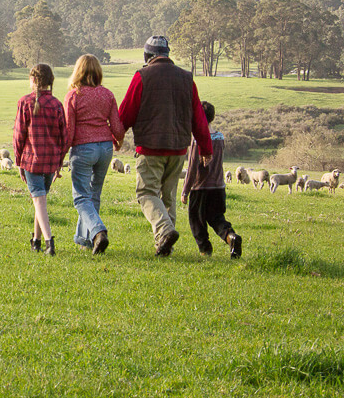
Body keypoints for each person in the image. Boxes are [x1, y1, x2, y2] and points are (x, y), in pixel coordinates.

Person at [118, 35, 213, 257]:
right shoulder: (186, 78)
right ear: (167, 54)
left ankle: (165, 230)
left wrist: (117, 135)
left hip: (150, 147)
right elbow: (198, 118)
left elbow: (126, 112)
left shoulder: (143, 76)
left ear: (147, 55)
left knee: (146, 193)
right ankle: (164, 246)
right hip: (179, 148)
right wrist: (206, 149)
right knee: (168, 197)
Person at [62, 54, 125, 254]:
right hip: (105, 148)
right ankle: (85, 240)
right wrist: (118, 141)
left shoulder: (73, 95)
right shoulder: (107, 94)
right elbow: (117, 127)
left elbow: (69, 131)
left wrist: (61, 156)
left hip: (83, 149)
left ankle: (98, 232)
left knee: (81, 198)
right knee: (93, 194)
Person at [13, 63, 66, 256]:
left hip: (31, 160)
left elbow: (19, 135)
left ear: (33, 80)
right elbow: (63, 136)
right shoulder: (57, 104)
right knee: (40, 200)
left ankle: (49, 242)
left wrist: (18, 161)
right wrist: (59, 163)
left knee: (39, 201)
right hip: (51, 161)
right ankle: (35, 241)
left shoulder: (24, 102)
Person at [180, 101, 242, 258]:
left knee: (196, 221)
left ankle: (205, 251)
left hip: (200, 187)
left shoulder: (196, 139)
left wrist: (185, 191)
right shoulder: (220, 137)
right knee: (217, 218)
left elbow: (193, 167)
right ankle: (231, 237)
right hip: (219, 186)